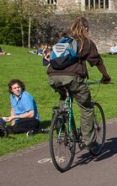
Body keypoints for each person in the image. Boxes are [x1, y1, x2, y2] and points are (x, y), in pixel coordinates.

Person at [46, 17, 111, 151]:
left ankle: (61, 127)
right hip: (73, 77)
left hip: (53, 77)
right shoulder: (85, 42)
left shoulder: (62, 41)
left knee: (64, 99)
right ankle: (90, 141)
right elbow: (97, 61)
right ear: (86, 28)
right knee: (86, 107)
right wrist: (105, 76)